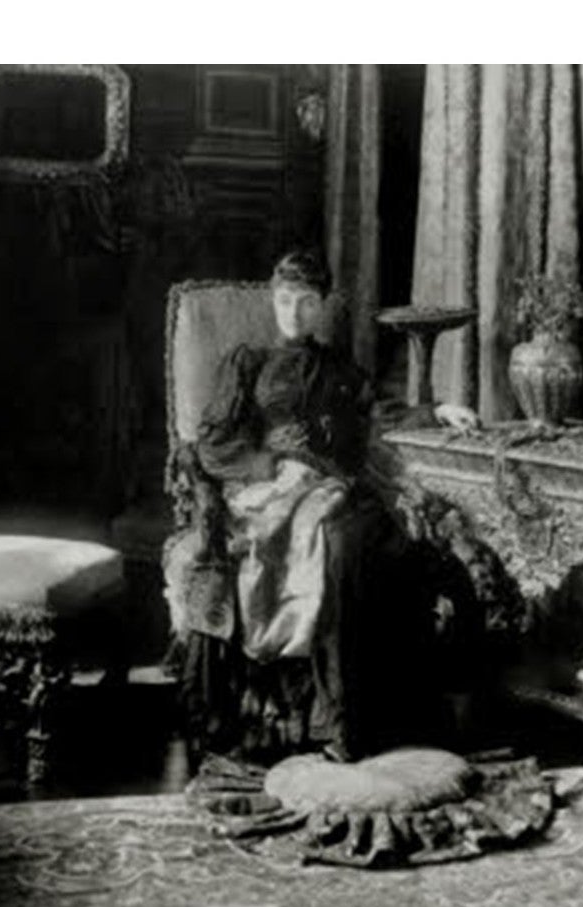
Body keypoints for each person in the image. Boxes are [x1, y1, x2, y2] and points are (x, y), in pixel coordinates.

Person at [165, 249, 496, 767]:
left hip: (334, 488)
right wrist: (271, 463)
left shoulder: (341, 370)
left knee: (355, 545)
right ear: (274, 303)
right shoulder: (249, 361)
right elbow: (210, 444)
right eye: (284, 300)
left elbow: (381, 415)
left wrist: (438, 410)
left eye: (304, 302)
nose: (292, 312)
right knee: (322, 545)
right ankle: (329, 716)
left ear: (320, 308)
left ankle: (354, 718)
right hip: (265, 491)